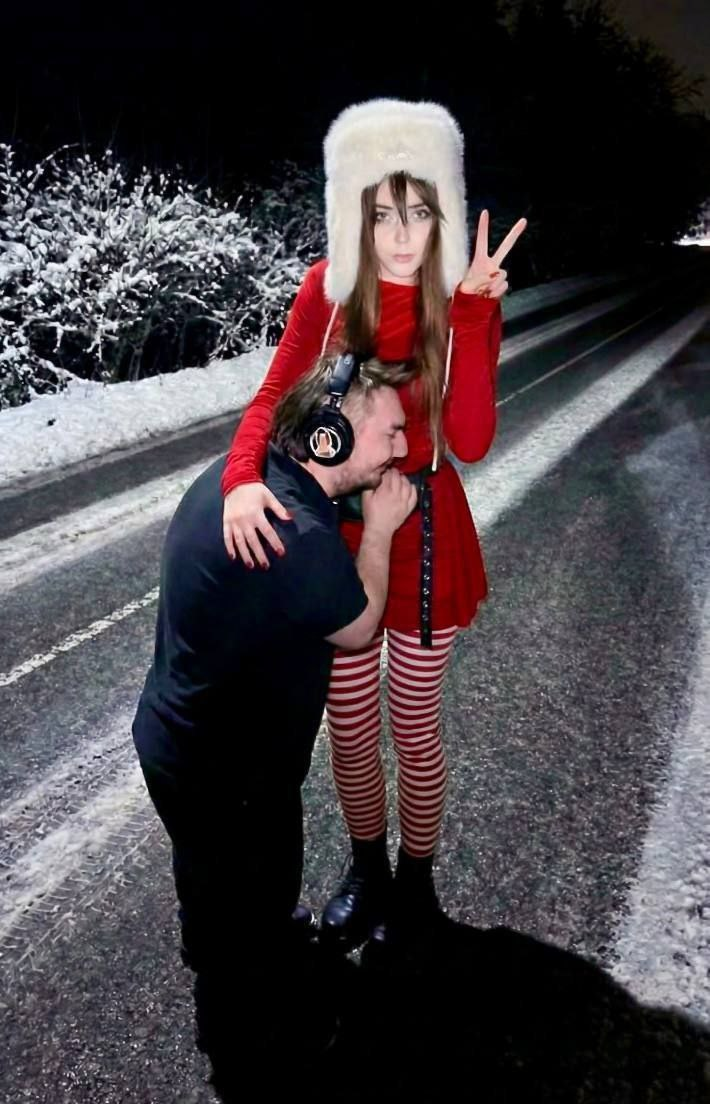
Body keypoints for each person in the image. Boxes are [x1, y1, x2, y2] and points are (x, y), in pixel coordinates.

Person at [220, 98, 527, 949]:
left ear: (443, 214)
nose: (399, 236)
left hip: (426, 531)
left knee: (414, 725)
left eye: (418, 212)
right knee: (351, 726)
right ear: (356, 212)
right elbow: (272, 398)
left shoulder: (457, 297)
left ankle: (416, 883)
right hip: (342, 531)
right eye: (382, 213)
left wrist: (474, 315)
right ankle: (367, 869)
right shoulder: (327, 290)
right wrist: (240, 482)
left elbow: (470, 439)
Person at [132, 354, 416, 1080]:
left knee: (209, 872)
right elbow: (359, 626)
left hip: (178, 741)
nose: (402, 447)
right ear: (329, 437)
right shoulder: (297, 532)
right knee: (257, 893)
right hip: (231, 775)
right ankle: (251, 1044)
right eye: (389, 432)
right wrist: (380, 528)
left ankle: (218, 944)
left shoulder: (254, 477)